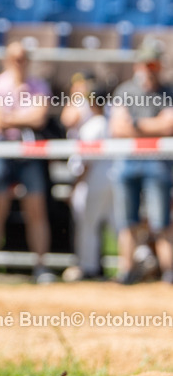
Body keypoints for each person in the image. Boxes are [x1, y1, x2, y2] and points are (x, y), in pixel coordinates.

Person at [0, 41, 55, 283]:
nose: (18, 61)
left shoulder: (39, 85)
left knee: (36, 211)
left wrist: (9, 118)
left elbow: (39, 118)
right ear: (6, 59)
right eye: (15, 57)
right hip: (2, 152)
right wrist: (23, 118)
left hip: (29, 154)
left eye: (23, 57)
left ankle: (41, 267)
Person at [109, 37, 173, 284]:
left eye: (153, 64)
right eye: (145, 64)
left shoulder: (168, 91)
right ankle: (126, 272)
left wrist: (134, 125)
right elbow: (116, 128)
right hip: (128, 163)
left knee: (162, 222)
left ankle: (168, 274)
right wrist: (151, 127)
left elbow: (169, 125)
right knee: (128, 222)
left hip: (158, 164)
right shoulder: (125, 90)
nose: (149, 69)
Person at [62, 85, 114, 281]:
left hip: (94, 181)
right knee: (115, 223)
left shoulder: (93, 126)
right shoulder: (109, 123)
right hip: (109, 179)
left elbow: (86, 163)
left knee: (89, 224)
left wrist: (75, 186)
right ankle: (136, 260)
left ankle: (88, 267)